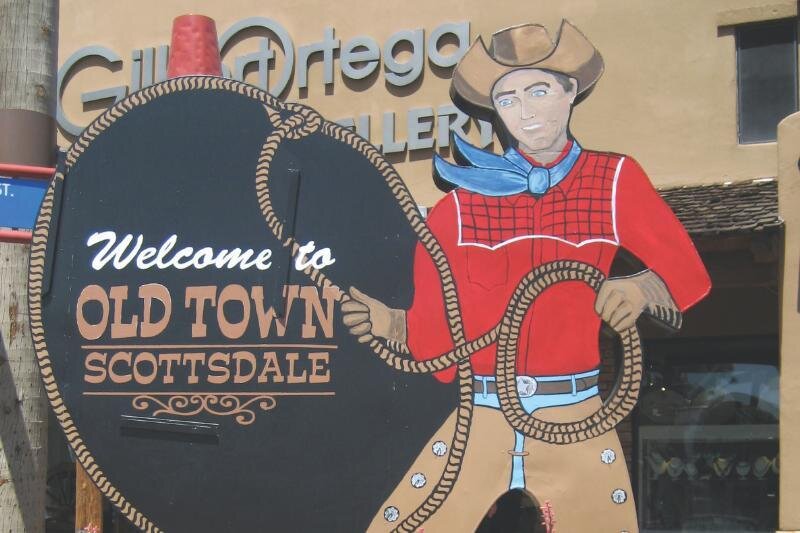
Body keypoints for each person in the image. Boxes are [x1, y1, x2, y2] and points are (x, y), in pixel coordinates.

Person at [343, 21, 711, 532]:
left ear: (570, 91)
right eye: (508, 98)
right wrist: (392, 324)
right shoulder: (457, 210)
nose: (526, 111)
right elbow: (437, 341)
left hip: (575, 416)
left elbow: (689, 273)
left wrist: (641, 287)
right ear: (495, 110)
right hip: (481, 415)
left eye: (538, 91)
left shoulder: (613, 181)